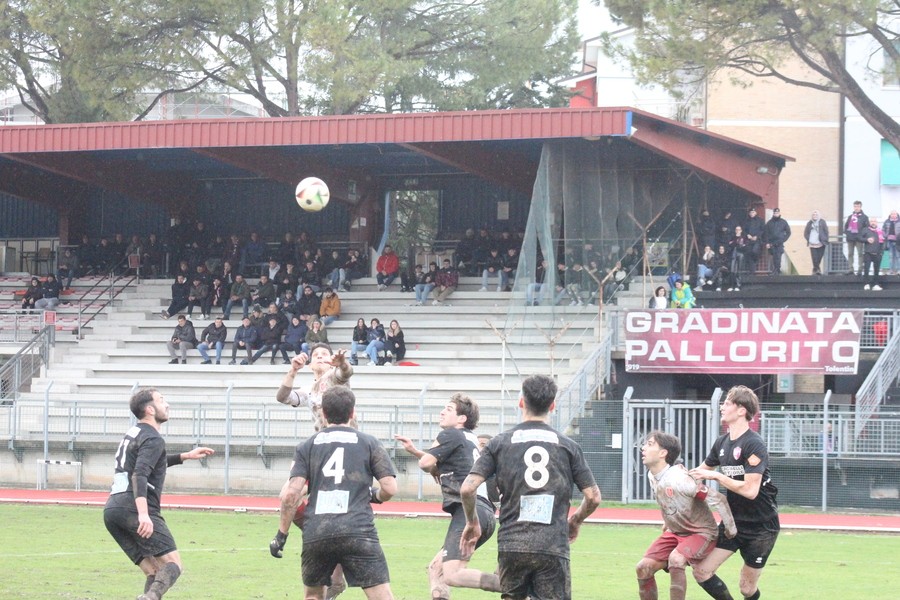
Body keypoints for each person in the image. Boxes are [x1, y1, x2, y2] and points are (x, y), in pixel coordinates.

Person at [459, 374, 602, 600]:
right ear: (552, 405)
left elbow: (467, 489)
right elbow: (593, 497)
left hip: (512, 543)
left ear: (521, 402)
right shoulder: (568, 446)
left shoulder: (499, 442)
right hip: (552, 543)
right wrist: (575, 521)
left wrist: (472, 522)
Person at [270, 386, 397, 600]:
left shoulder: (306, 446)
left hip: (318, 531)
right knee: (382, 596)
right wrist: (375, 496)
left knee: (313, 596)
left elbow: (290, 496)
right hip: (358, 530)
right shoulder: (369, 443)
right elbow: (390, 488)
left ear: (323, 413)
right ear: (352, 412)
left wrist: (281, 535)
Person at [104, 388, 214, 600]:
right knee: (173, 564)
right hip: (134, 507)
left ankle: (150, 596)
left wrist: (184, 456)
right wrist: (144, 514)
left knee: (154, 571)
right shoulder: (153, 438)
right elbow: (140, 474)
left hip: (113, 509)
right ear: (150, 409)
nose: (167, 404)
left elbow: (149, 463)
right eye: (162, 400)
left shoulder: (135, 432)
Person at [394, 394, 501, 600]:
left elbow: (426, 464)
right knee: (437, 569)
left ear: (462, 419)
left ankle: (512, 585)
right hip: (484, 512)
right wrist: (415, 451)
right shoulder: (469, 439)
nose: (442, 412)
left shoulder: (451, 434)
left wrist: (424, 458)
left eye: (449, 409)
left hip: (469, 511)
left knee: (452, 574)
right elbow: (438, 464)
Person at [690, 385, 780, 600]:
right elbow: (699, 473)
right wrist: (676, 482)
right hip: (732, 524)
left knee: (746, 588)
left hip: (761, 528)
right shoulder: (721, 443)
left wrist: (717, 477)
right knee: (701, 571)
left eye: (728, 403)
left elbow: (750, 491)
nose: (722, 407)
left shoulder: (754, 444)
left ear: (741, 410)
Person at [636, 430, 736, 600]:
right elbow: (668, 500)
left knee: (676, 559)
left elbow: (719, 499)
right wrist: (668, 521)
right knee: (643, 568)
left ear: (663, 453)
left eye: (649, 444)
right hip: (676, 532)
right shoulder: (652, 475)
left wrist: (730, 530)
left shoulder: (681, 479)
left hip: (701, 533)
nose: (643, 448)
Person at [275, 342, 353, 431]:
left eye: (324, 354)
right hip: (322, 437)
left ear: (332, 363)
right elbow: (282, 398)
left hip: (347, 436)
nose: (319, 356)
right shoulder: (309, 391)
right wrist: (293, 370)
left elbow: (347, 373)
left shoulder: (336, 377)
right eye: (315, 355)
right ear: (310, 365)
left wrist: (342, 364)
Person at [844, 200, 869, 275]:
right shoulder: (850, 217)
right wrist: (848, 234)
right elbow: (846, 227)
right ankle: (850, 269)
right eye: (855, 206)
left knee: (860, 254)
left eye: (858, 206)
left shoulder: (864, 217)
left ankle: (860, 269)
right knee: (850, 254)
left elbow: (866, 228)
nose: (856, 208)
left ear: (861, 207)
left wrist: (861, 236)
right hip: (850, 238)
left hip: (859, 239)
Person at [763, 208, 791, 275]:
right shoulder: (769, 223)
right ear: (773, 213)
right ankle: (776, 270)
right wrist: (767, 243)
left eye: (777, 213)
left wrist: (783, 239)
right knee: (774, 257)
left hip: (779, 243)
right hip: (771, 243)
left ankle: (777, 270)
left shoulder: (783, 222)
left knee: (778, 257)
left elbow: (788, 232)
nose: (776, 214)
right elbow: (766, 233)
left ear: (779, 213)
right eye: (775, 213)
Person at [803, 210, 829, 275]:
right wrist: (809, 239)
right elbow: (806, 233)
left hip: (821, 243)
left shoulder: (822, 222)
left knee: (819, 257)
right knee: (814, 258)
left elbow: (826, 231)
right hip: (812, 244)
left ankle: (815, 269)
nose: (815, 216)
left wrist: (825, 239)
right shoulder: (809, 223)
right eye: (813, 215)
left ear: (819, 215)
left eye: (816, 214)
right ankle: (817, 270)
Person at [862, 217, 884, 291]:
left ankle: (875, 284)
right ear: (869, 222)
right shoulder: (865, 230)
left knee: (876, 270)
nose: (873, 223)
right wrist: (866, 239)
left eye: (874, 221)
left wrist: (881, 252)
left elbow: (883, 241)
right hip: (868, 253)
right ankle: (866, 284)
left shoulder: (880, 231)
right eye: (871, 221)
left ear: (877, 222)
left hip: (877, 253)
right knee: (866, 269)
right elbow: (859, 238)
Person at [883, 210, 900, 275]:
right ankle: (891, 270)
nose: (893, 215)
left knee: (898, 256)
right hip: (889, 241)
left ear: (897, 214)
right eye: (892, 214)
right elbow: (883, 230)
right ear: (890, 215)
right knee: (890, 256)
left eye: (894, 214)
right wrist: (885, 236)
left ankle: (898, 270)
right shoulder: (886, 221)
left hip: (898, 242)